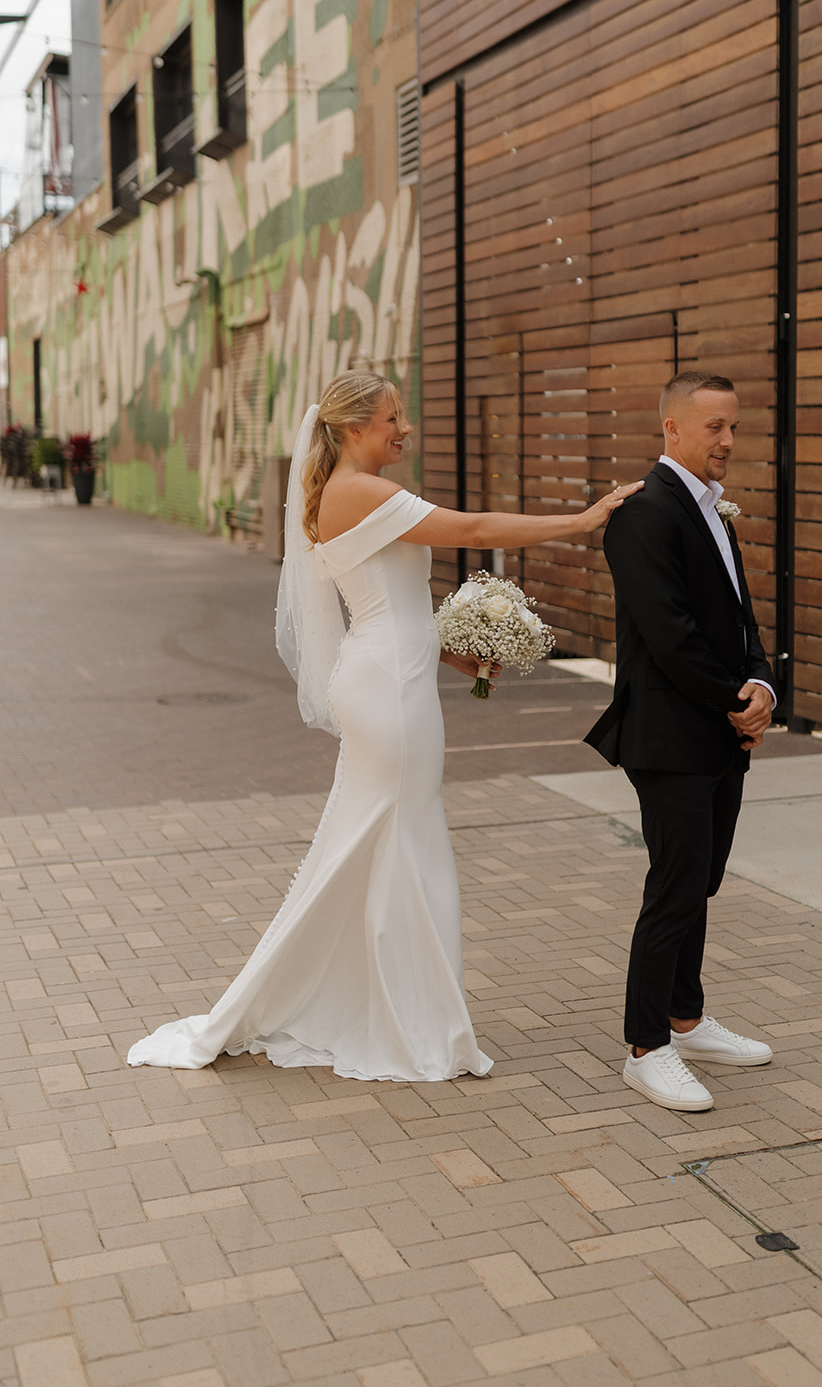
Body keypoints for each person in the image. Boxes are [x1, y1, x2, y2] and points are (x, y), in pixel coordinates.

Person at [128, 370, 641, 1083]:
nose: (405, 428)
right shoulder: (359, 490)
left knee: (377, 840)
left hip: (389, 675)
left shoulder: (349, 492)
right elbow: (471, 530)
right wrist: (580, 522)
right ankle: (413, 1022)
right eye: (391, 418)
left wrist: (452, 647)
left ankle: (392, 1008)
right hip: (386, 689)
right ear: (350, 428)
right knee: (403, 839)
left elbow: (393, 599)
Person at [585, 371, 777, 1112]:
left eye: (733, 426)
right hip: (667, 733)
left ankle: (686, 1019)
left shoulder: (713, 513)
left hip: (721, 728)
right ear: (671, 429)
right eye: (713, 428)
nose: (727, 440)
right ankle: (645, 1047)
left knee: (700, 880)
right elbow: (669, 635)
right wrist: (735, 704)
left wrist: (761, 686)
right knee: (672, 887)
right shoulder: (643, 514)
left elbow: (739, 622)